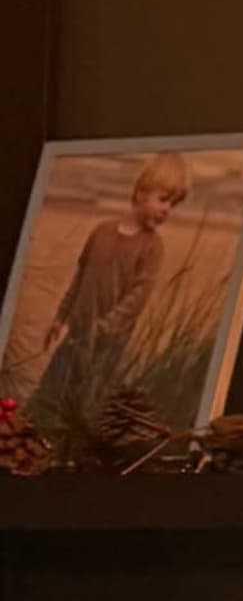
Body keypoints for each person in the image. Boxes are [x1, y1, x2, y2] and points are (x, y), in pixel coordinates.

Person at [28, 152, 202, 427]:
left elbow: (137, 298)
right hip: (76, 334)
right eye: (163, 200)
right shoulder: (101, 232)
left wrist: (105, 327)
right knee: (49, 392)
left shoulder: (151, 247)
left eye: (173, 205)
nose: (167, 210)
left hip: (107, 344)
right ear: (141, 192)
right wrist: (60, 318)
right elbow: (80, 279)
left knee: (85, 403)